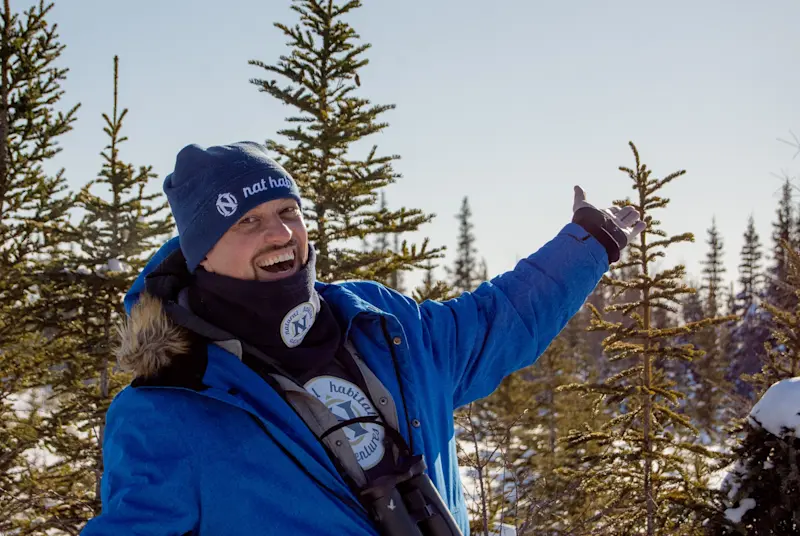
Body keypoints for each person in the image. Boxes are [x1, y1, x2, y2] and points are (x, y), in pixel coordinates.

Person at [80, 141, 645, 536]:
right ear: (200, 253)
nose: (280, 234)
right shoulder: (170, 408)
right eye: (246, 222)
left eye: (286, 211)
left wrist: (590, 243)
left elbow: (499, 320)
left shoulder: (383, 325)